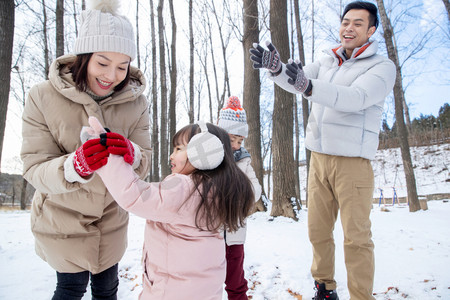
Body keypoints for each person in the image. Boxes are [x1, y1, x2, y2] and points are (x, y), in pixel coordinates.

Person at [249, 1, 396, 299]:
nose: (349, 28)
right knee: (317, 231)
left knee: (356, 238)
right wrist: (277, 69)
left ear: (371, 30)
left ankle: (360, 295)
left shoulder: (382, 67)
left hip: (353, 164)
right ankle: (325, 288)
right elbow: (298, 79)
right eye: (345, 22)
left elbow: (356, 98)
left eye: (357, 23)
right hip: (319, 159)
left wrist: (309, 86)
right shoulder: (327, 60)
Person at [20, 0, 151, 299]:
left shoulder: (137, 103)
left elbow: (145, 160)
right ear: (84, 56)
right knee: (71, 288)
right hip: (62, 219)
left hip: (111, 222)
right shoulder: (42, 96)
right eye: (102, 63)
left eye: (122, 66)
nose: (112, 75)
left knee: (107, 289)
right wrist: (74, 166)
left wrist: (132, 153)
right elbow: (33, 166)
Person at [86, 118, 255, 300]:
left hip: (169, 292)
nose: (171, 156)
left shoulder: (182, 189)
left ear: (203, 152)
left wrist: (108, 158)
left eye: (179, 149)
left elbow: (134, 195)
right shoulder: (222, 190)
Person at [217, 96, 262, 300]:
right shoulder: (210, 160)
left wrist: (238, 190)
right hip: (211, 234)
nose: (235, 145)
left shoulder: (244, 161)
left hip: (235, 234)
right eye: (231, 139)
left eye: (240, 140)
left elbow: (255, 190)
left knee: (236, 280)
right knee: (208, 278)